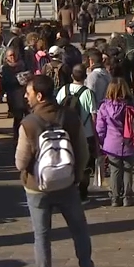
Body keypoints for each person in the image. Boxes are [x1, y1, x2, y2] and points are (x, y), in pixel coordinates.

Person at [15, 75, 117, 267]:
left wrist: (27, 174)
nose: (25, 96)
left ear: (39, 96)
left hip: (37, 188)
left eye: (28, 93)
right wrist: (75, 176)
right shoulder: (69, 117)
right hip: (67, 185)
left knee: (42, 237)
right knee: (80, 232)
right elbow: (82, 151)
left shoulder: (28, 123)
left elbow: (20, 162)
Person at [95, 78, 134, 207]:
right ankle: (127, 197)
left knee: (115, 171)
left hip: (111, 143)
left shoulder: (104, 107)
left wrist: (101, 142)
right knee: (128, 170)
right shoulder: (131, 105)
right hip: (129, 142)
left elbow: (100, 128)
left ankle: (115, 198)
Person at [55, 64, 97, 203]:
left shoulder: (63, 90)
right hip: (86, 134)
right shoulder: (88, 93)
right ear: (85, 76)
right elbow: (93, 117)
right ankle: (82, 194)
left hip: (65, 134)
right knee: (85, 166)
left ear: (72, 76)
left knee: (67, 163)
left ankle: (67, 192)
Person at [1, 47, 30, 141]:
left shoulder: (22, 64)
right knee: (17, 119)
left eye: (14, 55)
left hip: (25, 95)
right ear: (7, 57)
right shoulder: (5, 68)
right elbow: (5, 83)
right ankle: (17, 138)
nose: (13, 57)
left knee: (28, 117)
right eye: (10, 55)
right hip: (13, 96)